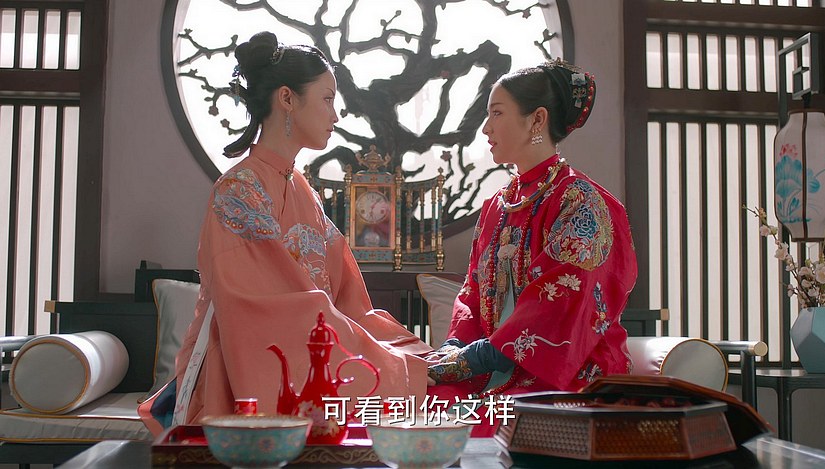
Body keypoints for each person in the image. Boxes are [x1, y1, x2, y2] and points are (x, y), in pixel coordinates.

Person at [140, 32, 432, 435]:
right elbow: (276, 312)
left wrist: (409, 353)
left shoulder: (302, 189)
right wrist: (392, 365)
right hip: (241, 372)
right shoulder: (238, 190)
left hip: (314, 353)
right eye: (327, 99)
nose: (336, 115)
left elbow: (347, 300)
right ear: (287, 99)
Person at [426, 59, 637, 434]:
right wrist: (453, 348)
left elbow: (559, 306)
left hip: (566, 373)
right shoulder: (497, 206)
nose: (486, 128)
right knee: (421, 402)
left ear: (537, 119)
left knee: (477, 422)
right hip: (490, 367)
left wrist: (471, 359)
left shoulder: (582, 204)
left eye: (496, 113)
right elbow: (472, 293)